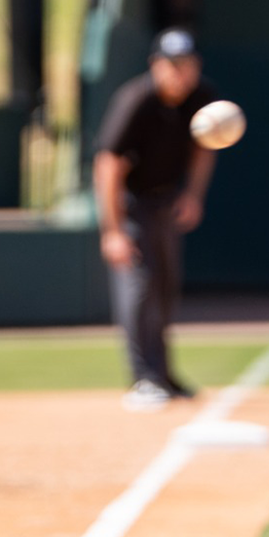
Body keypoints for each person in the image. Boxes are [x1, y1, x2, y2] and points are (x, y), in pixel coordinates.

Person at [92, 27, 224, 411]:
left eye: (188, 65)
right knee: (138, 288)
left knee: (165, 288)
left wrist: (193, 195)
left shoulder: (202, 98)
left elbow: (205, 148)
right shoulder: (136, 100)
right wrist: (113, 230)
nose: (180, 73)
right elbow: (107, 166)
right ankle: (142, 379)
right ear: (156, 65)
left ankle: (163, 374)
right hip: (129, 203)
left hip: (165, 202)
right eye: (173, 65)